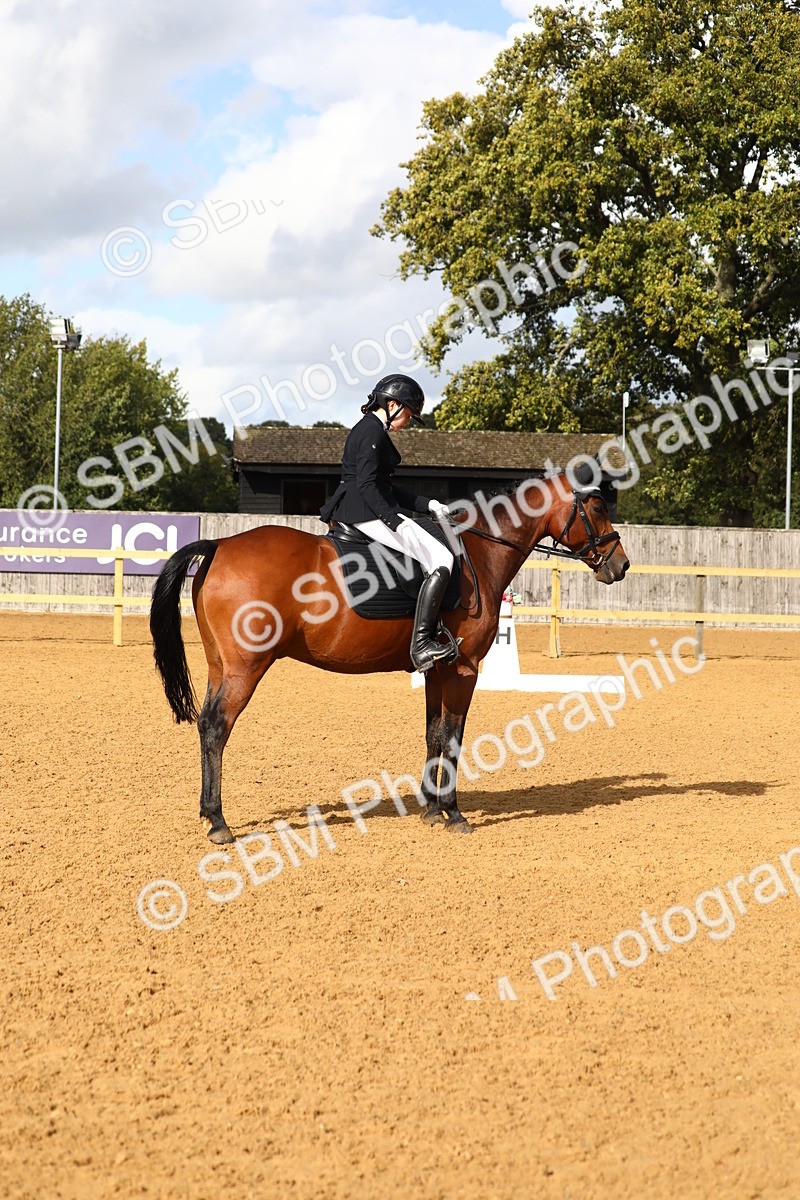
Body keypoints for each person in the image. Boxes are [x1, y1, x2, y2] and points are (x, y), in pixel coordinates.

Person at [319, 373, 456, 672]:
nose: (407, 421)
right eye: (408, 413)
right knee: (443, 558)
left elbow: (386, 489)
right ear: (392, 404)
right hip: (363, 512)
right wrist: (395, 522)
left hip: (365, 508)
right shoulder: (372, 431)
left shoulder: (372, 429)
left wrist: (427, 504)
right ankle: (421, 644)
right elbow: (367, 487)